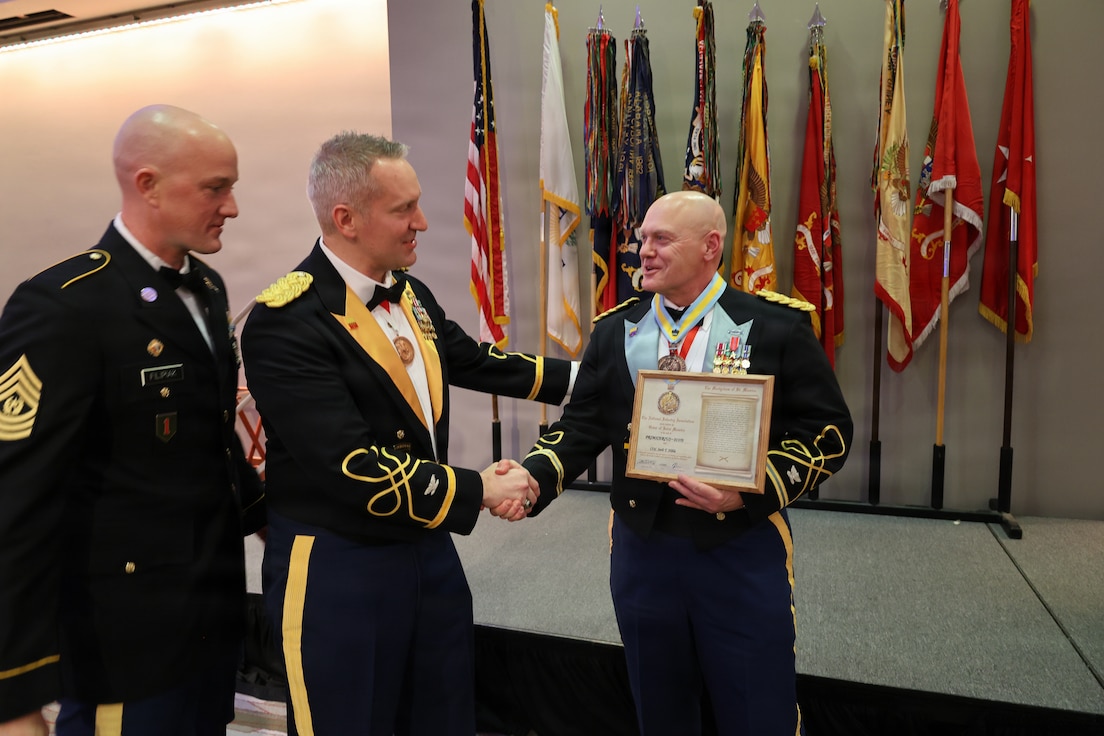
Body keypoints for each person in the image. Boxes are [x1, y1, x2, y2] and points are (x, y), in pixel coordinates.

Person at [240, 132, 574, 736]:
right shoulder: (286, 320)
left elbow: (475, 361)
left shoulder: (410, 292)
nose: (421, 221)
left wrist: (594, 380)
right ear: (346, 218)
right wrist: (478, 489)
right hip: (339, 569)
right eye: (403, 210)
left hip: (426, 552)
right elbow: (352, 466)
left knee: (441, 715)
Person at [522, 190, 853, 735]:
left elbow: (829, 431)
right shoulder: (615, 331)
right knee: (661, 709)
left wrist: (750, 489)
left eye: (661, 240)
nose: (642, 252)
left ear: (710, 246)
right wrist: (533, 477)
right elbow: (581, 426)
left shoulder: (775, 327)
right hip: (643, 552)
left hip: (739, 548)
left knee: (757, 709)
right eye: (642, 239)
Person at [0, 104, 266, 736]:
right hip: (122, 645)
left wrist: (276, 520)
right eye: (215, 188)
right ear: (147, 184)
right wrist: (14, 696)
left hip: (208, 624)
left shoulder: (206, 288)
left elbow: (209, 442)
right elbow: (16, 502)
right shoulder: (65, 306)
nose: (231, 206)